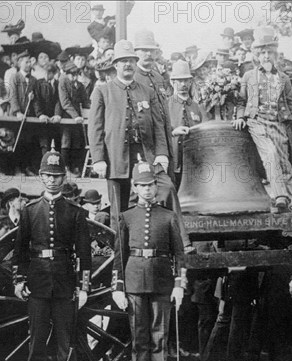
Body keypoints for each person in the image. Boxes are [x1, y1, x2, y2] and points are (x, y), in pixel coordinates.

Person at [88, 40, 193, 252]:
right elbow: (95, 128)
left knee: (167, 188)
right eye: (123, 61)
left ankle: (182, 242)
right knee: (119, 209)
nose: (128, 65)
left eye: (131, 61)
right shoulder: (103, 91)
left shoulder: (147, 91)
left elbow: (158, 125)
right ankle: (121, 255)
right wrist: (98, 158)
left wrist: (162, 154)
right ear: (115, 65)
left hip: (146, 156)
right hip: (117, 159)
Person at [11, 147, 91, 361]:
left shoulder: (76, 213)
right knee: (36, 339)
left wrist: (85, 287)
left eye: (56, 176)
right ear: (40, 177)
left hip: (66, 284)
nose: (52, 180)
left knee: (65, 341)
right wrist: (18, 279)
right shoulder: (30, 211)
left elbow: (85, 254)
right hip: (37, 284)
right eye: (47, 175)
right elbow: (20, 251)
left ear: (64, 177)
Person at [111, 160, 185, 361]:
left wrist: (178, 285)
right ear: (134, 187)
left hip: (162, 281)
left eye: (151, 184)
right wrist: (118, 287)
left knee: (159, 338)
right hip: (133, 282)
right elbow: (119, 255)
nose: (147, 189)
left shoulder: (169, 216)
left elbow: (179, 255)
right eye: (142, 185)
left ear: (156, 186)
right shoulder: (126, 217)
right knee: (139, 338)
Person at [233, 26, 292, 213]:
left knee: (284, 163)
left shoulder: (284, 78)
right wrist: (241, 117)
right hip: (256, 122)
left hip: (278, 124)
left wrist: (288, 117)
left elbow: (291, 103)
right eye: (262, 52)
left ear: (275, 55)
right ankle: (280, 196)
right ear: (256, 55)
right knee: (270, 154)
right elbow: (241, 101)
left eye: (269, 52)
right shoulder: (249, 76)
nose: (266, 56)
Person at [134, 30, 174, 176]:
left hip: (163, 140)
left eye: (151, 51)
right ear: (135, 52)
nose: (148, 54)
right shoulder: (133, 77)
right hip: (146, 144)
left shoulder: (157, 76)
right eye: (144, 50)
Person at [166, 60, 207, 188]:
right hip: (173, 159)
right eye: (179, 81)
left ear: (190, 82)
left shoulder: (197, 107)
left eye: (186, 81)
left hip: (193, 160)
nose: (183, 84)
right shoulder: (166, 104)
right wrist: (173, 132)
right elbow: (159, 131)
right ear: (173, 83)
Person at [58, 60, 89, 175]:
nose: (75, 77)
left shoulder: (80, 86)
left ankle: (75, 167)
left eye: (76, 74)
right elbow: (64, 102)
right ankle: (65, 168)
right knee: (66, 141)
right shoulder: (62, 82)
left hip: (78, 119)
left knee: (76, 142)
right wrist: (75, 116)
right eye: (72, 74)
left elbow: (85, 102)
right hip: (67, 117)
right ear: (66, 73)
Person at [33, 62, 61, 155]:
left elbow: (58, 100)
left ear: (54, 73)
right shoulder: (39, 83)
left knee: (55, 142)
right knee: (44, 143)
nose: (46, 75)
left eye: (49, 73)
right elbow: (36, 100)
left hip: (54, 119)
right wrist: (40, 114)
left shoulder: (58, 84)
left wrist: (57, 114)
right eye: (45, 72)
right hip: (42, 119)